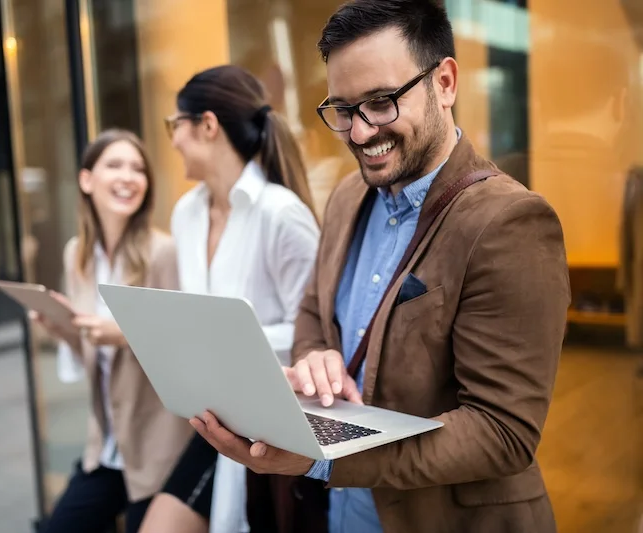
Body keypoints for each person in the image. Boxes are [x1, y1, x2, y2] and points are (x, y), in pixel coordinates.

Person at [189, 2, 570, 533]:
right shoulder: (348, 197)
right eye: (343, 110)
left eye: (382, 102)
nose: (361, 133)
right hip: (340, 514)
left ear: (445, 82)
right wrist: (315, 356)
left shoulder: (510, 222)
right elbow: (312, 309)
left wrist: (324, 457)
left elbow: (502, 431)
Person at [138, 65, 321, 533]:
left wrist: (229, 339)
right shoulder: (186, 214)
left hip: (274, 430)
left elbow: (317, 333)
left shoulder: (281, 216)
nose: (173, 139)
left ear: (207, 125)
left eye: (174, 125)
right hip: (214, 421)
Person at [33, 129, 193, 533]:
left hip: (158, 447)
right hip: (105, 447)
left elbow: (182, 344)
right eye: (115, 165)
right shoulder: (77, 255)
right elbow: (94, 351)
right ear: (86, 180)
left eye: (138, 168)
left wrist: (122, 334)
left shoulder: (163, 253)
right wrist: (63, 329)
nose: (128, 176)